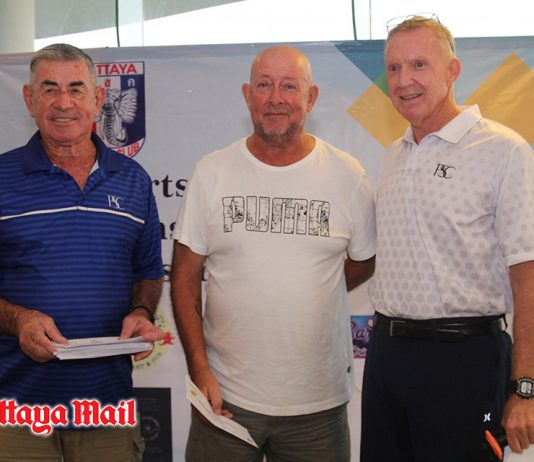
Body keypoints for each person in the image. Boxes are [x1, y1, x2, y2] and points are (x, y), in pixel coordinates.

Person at [171, 45, 376, 461]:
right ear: (248, 95)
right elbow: (184, 277)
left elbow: (362, 261)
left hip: (317, 407)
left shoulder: (347, 175)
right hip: (224, 399)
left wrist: (311, 289)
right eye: (264, 85)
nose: (276, 98)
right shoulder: (212, 173)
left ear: (311, 97)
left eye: (289, 86)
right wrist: (199, 369)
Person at [361, 14, 534, 462]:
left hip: (465, 361)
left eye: (419, 64)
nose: (404, 80)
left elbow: (527, 276)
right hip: (387, 357)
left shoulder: (503, 150)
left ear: (452, 70)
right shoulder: (396, 154)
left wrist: (525, 387)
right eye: (394, 67)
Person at [0, 43, 164, 461]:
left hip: (107, 407)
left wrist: (141, 312)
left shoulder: (133, 180)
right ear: (29, 100)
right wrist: (19, 320)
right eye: (49, 89)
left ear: (97, 98)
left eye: (76, 89)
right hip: (15, 412)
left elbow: (147, 271)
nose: (63, 102)